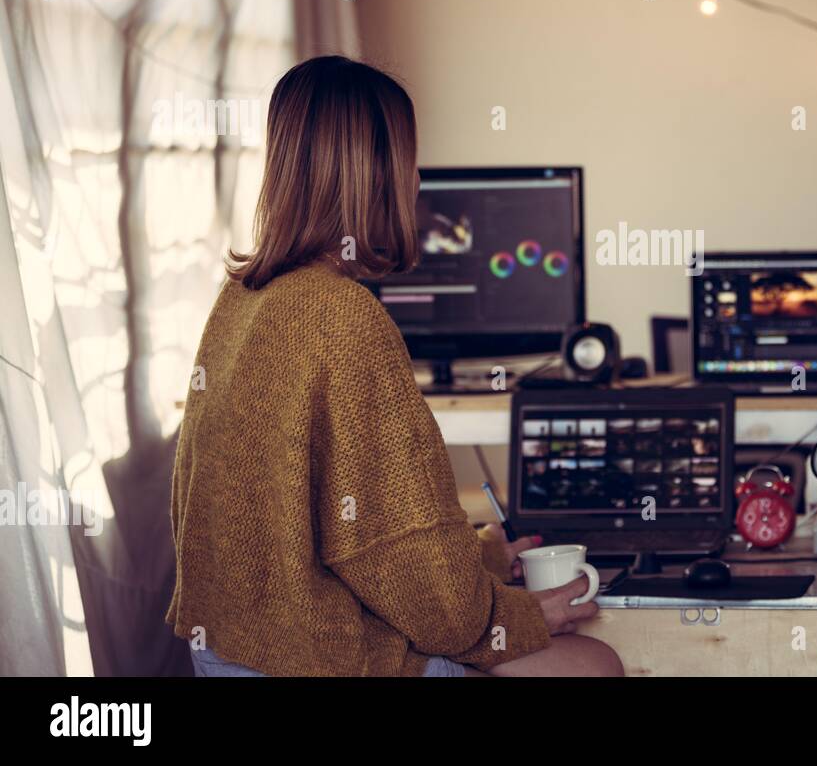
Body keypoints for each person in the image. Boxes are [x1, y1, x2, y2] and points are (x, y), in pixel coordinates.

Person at [166, 56, 622, 677]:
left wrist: (483, 559)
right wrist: (518, 615)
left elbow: (361, 535)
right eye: (408, 161)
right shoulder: (343, 318)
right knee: (592, 663)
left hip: (228, 650)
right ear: (377, 174)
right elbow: (425, 591)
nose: (414, 181)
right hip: (310, 660)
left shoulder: (243, 299)